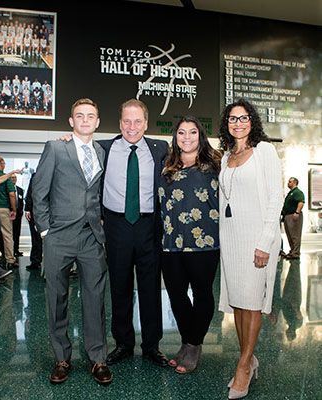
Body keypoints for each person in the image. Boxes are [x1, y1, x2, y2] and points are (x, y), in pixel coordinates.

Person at [32, 98, 112, 385]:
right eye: (80, 115)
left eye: (91, 115)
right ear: (71, 121)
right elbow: (38, 191)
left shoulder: (101, 151)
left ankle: (98, 358)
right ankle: (62, 358)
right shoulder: (56, 147)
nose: (85, 120)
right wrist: (44, 232)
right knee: (56, 300)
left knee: (95, 299)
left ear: (98, 121)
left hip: (92, 237)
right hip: (59, 237)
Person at [218, 99, 283, 399]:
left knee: (253, 301)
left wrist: (265, 240)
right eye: (233, 119)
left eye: (243, 118)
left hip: (256, 238)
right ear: (227, 124)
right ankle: (249, 357)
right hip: (231, 238)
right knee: (240, 303)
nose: (238, 123)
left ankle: (243, 365)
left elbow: (275, 197)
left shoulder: (264, 151)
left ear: (252, 121)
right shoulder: (226, 156)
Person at [99, 99, 169, 367]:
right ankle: (124, 344)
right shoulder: (103, 148)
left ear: (146, 123)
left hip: (148, 226)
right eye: (126, 121)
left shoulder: (160, 148)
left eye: (137, 121)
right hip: (116, 226)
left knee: (151, 287)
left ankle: (152, 345)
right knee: (119, 286)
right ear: (119, 123)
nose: (131, 126)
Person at [158, 116, 221, 374]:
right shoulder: (166, 165)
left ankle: (193, 344)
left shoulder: (216, 163)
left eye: (192, 132)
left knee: (202, 293)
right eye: (182, 132)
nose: (187, 137)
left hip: (204, 243)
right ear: (175, 136)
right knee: (176, 295)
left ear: (200, 135)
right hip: (171, 243)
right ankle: (188, 340)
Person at [0, 168, 21, 282]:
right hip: (3, 208)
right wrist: (14, 210)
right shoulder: (6, 178)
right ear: (2, 165)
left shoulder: (4, 177)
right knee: (7, 235)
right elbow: (12, 194)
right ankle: (10, 260)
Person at [281, 177, 305, 259]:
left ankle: (295, 253)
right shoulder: (291, 193)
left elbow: (301, 202)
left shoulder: (297, 192)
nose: (288, 183)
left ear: (295, 183)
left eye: (290, 182)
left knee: (295, 235)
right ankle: (292, 251)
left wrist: (297, 212)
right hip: (287, 216)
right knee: (290, 235)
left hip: (293, 215)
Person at [24, 173, 43, 271]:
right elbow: (30, 192)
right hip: (38, 211)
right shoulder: (36, 176)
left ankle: (36, 261)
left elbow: (30, 192)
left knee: (36, 238)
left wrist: (27, 209)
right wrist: (27, 208)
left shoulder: (36, 175)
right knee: (36, 238)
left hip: (38, 211)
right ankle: (36, 261)